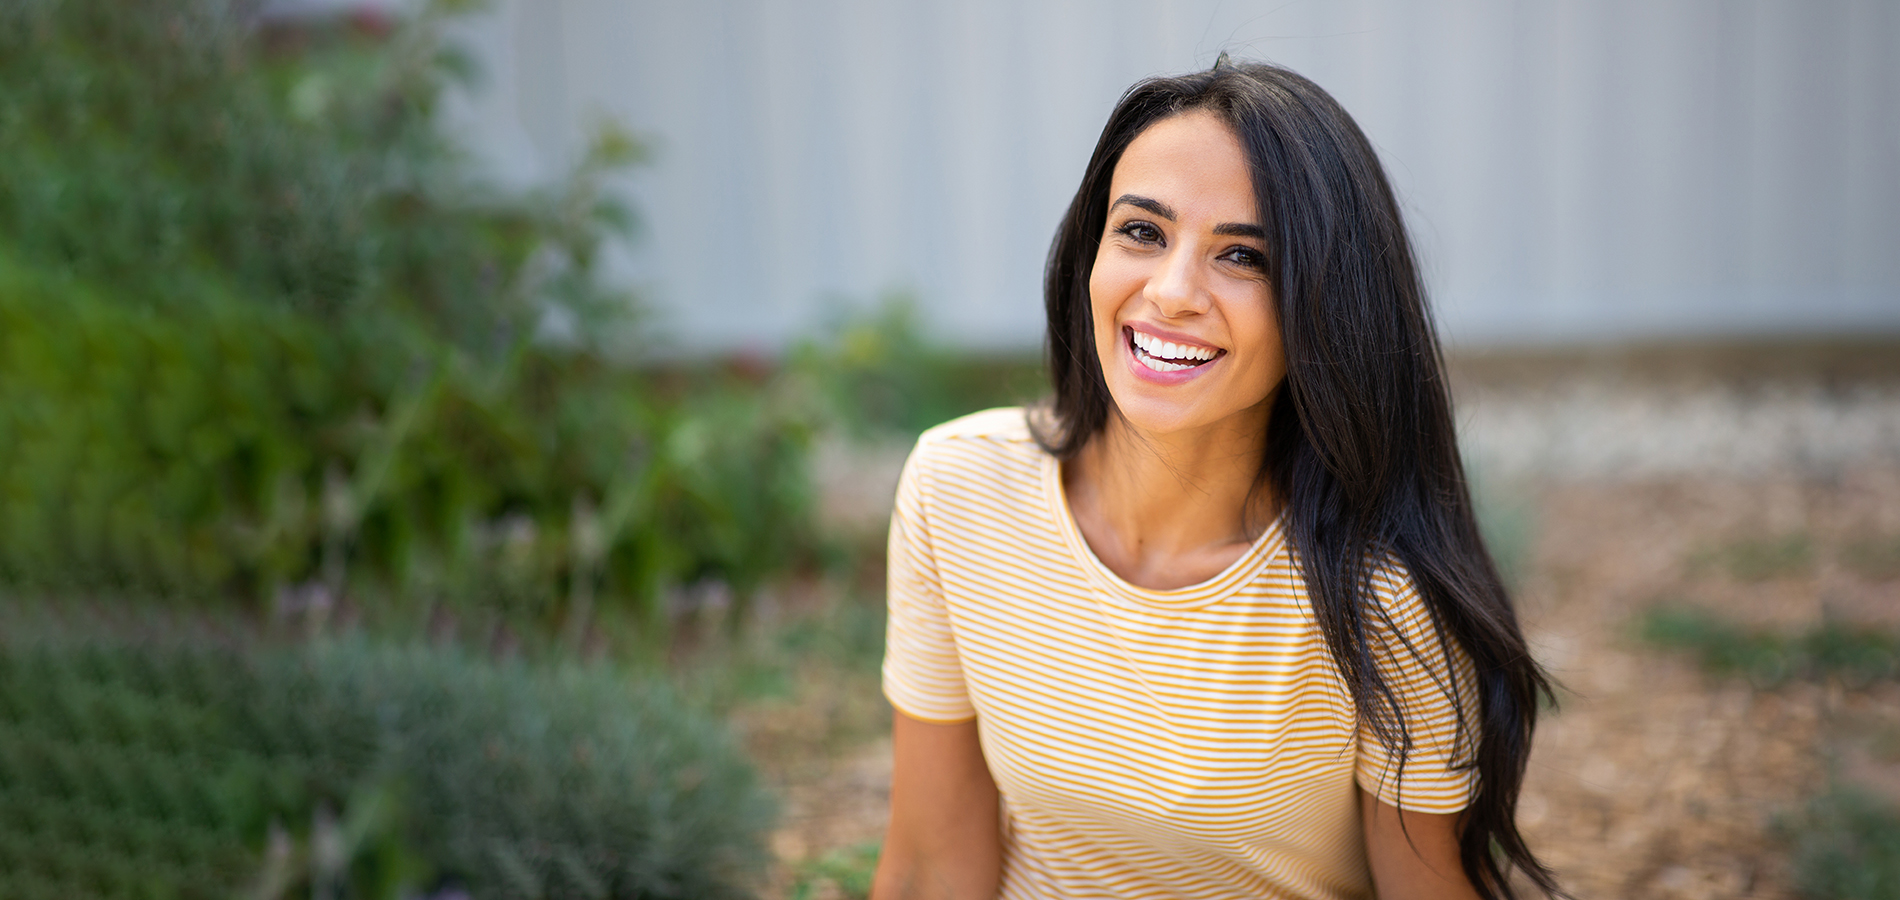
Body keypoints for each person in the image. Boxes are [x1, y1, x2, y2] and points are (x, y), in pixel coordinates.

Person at [869, 59, 1559, 900]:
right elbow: (933, 865)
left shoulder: (1378, 593)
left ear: (1325, 307)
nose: (1171, 292)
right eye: (1142, 232)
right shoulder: (961, 488)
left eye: (1242, 256)